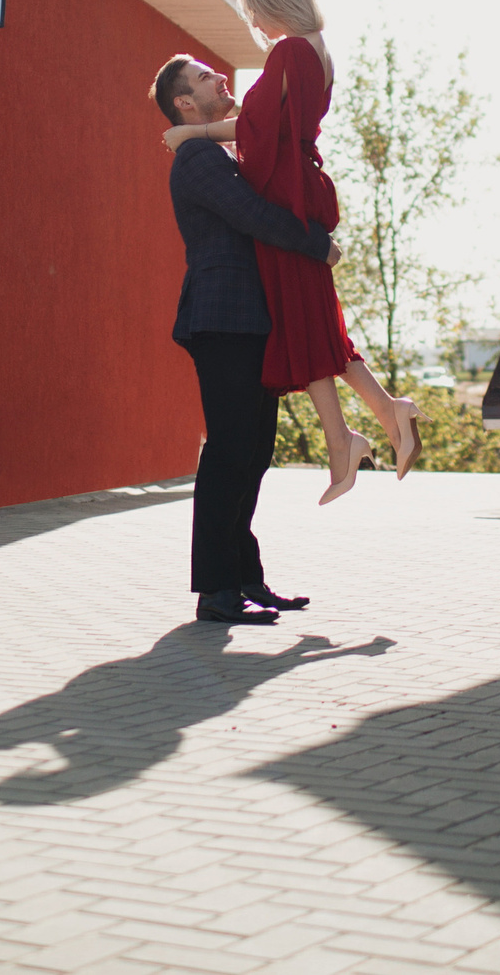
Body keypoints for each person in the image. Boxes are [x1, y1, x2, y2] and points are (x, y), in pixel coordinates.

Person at [161, 0, 420, 505]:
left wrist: (195, 132)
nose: (254, 22)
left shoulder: (289, 52)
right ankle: (371, 420)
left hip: (286, 191)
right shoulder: (318, 53)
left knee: (301, 318)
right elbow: (272, 126)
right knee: (307, 317)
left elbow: (260, 126)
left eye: (254, 10)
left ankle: (352, 435)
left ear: (272, 3)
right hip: (296, 185)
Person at [155, 52, 340, 625]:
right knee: (231, 453)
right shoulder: (197, 156)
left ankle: (244, 577)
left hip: (252, 319)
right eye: (205, 78)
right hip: (223, 316)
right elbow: (253, 215)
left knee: (253, 453)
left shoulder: (221, 152)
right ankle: (215, 590)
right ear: (185, 103)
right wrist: (315, 243)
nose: (220, 79)